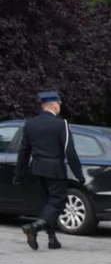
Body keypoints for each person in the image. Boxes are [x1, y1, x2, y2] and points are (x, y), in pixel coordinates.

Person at [14, 90, 84, 251]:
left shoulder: (30, 124)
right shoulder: (61, 124)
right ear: (54, 106)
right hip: (55, 169)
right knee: (57, 202)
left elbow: (23, 151)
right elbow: (70, 151)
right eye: (59, 104)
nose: (60, 107)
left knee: (45, 204)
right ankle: (34, 227)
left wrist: (19, 174)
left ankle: (52, 239)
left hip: (36, 167)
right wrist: (79, 174)